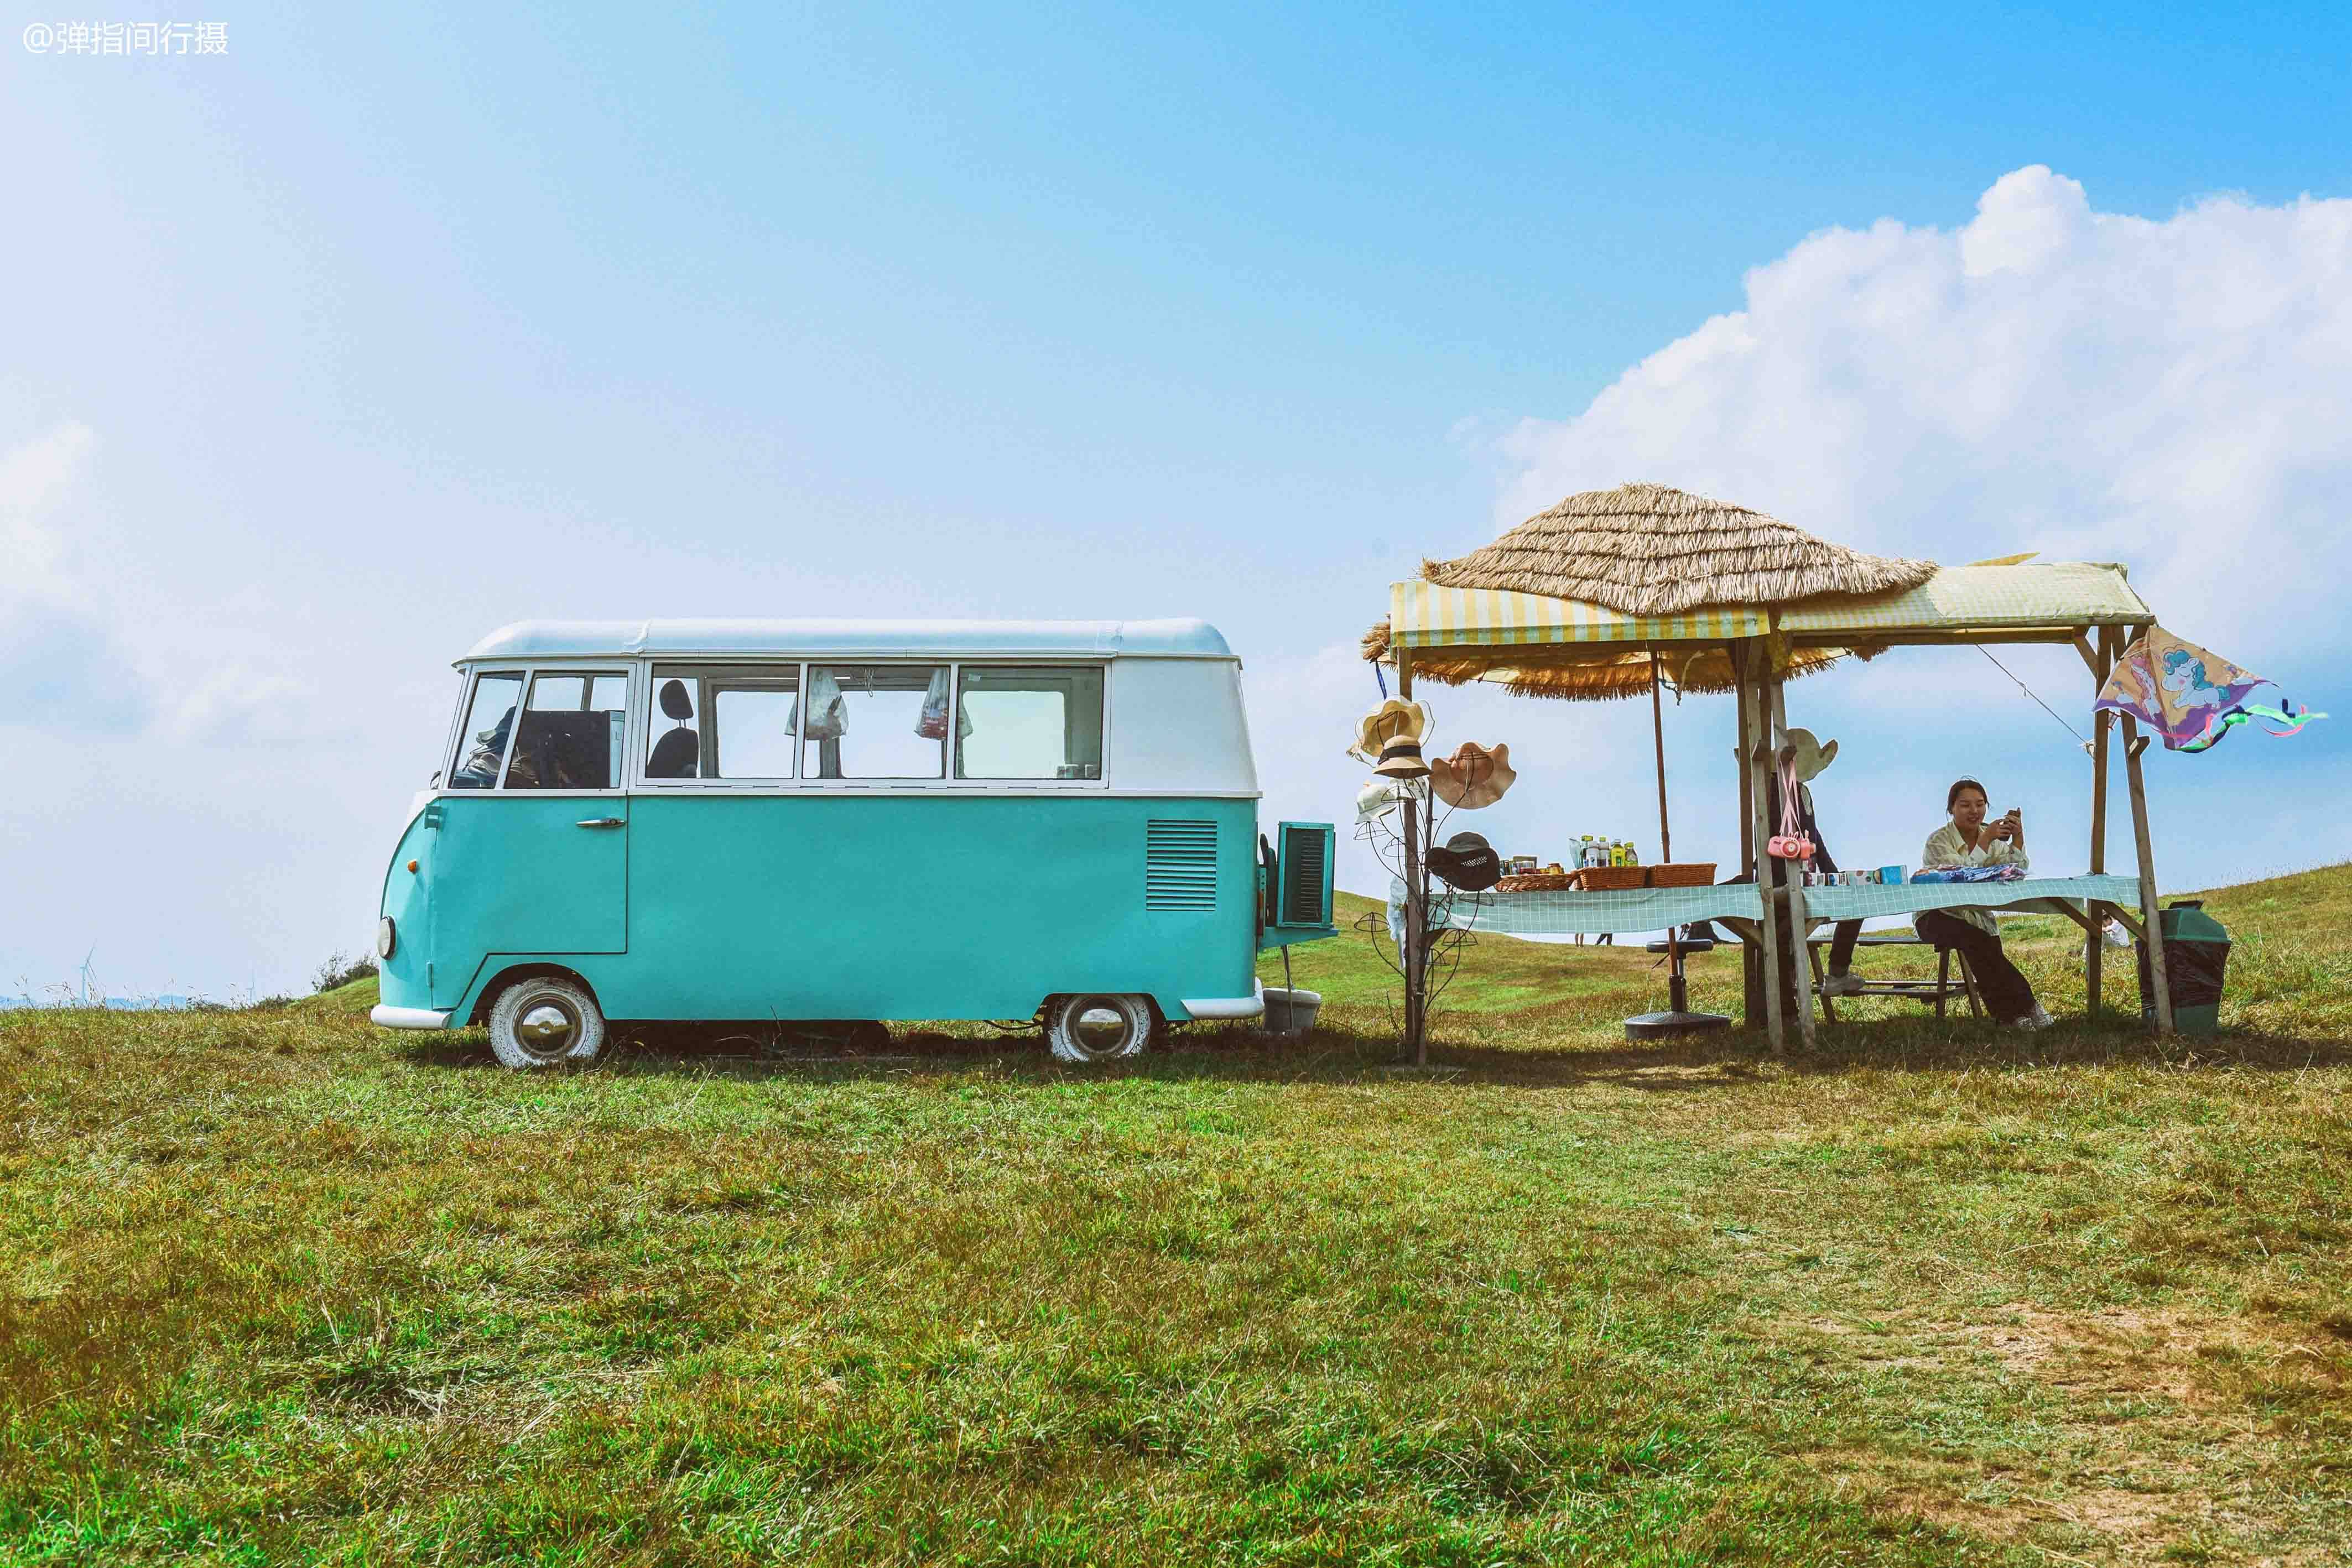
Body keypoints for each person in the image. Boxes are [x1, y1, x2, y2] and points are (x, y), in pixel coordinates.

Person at [1917, 778, 2052, 1029]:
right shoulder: (1938, 841)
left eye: (1980, 805)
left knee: (1986, 947)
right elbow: (1957, 875)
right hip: (1935, 914)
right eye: (1965, 805)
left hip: (1975, 915)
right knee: (1978, 941)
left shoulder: (1990, 834)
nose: (1974, 811)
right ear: (1952, 809)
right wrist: (1985, 842)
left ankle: (2009, 1017)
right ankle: (2028, 1006)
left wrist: (2018, 837)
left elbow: (2018, 868)